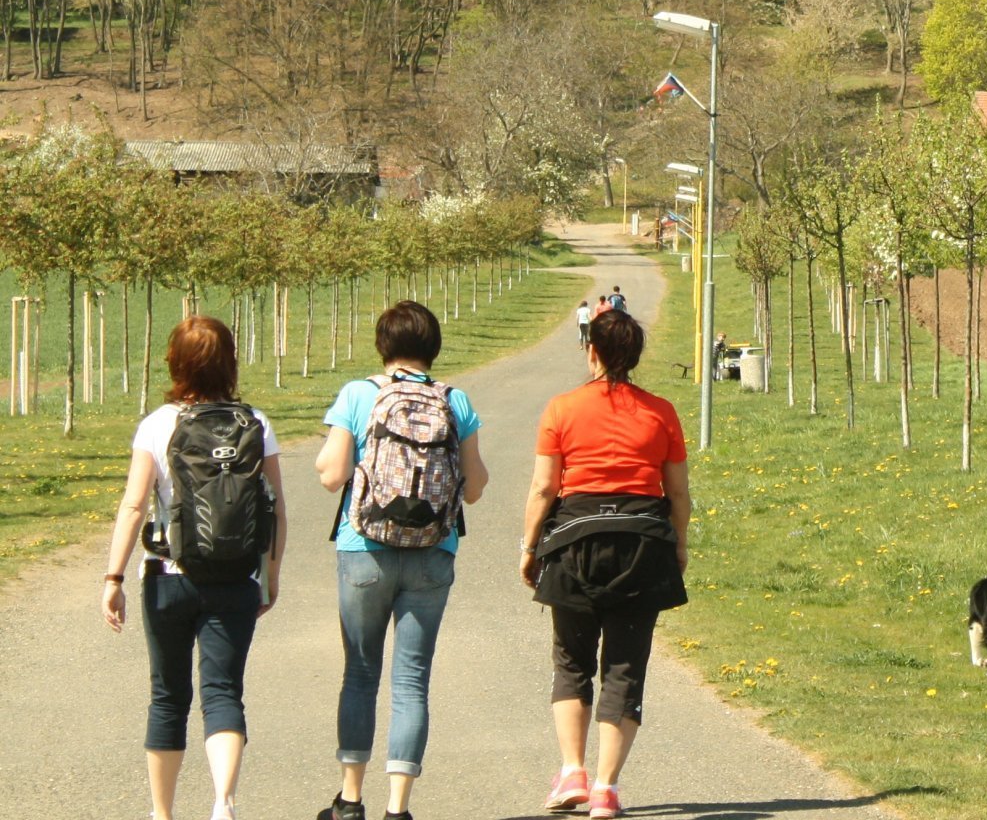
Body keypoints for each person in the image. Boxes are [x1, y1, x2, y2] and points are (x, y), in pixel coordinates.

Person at [101, 316, 287, 820]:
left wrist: (113, 577)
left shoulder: (159, 424)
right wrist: (269, 577)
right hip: (235, 579)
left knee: (168, 697)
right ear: (229, 361)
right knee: (223, 691)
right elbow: (275, 509)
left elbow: (135, 505)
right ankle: (223, 802)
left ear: (175, 362)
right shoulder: (256, 423)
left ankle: (163, 814)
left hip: (167, 577)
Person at [313, 301, 490, 820]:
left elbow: (331, 475)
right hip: (433, 551)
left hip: (363, 547)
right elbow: (475, 489)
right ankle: (398, 809)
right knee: (412, 677)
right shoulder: (456, 402)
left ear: (382, 345)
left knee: (361, 671)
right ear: (433, 349)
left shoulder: (358, 395)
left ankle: (350, 801)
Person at [523, 307, 690, 819]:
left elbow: (545, 487)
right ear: (635, 356)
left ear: (590, 350)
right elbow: (678, 494)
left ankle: (572, 770)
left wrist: (529, 547)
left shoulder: (562, 408)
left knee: (571, 659)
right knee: (624, 666)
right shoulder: (662, 411)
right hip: (642, 548)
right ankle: (605, 789)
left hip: (575, 544)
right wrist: (679, 547)